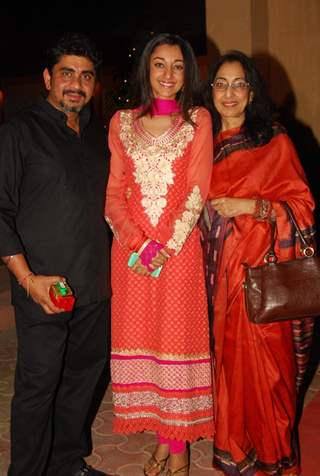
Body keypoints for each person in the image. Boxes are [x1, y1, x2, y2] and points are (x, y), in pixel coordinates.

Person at [0, 33, 112, 476]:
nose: (76, 84)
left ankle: (67, 461)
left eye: (86, 76)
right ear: (48, 77)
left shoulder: (99, 138)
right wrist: (27, 280)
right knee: (38, 385)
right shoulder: (18, 133)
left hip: (95, 285)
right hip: (43, 286)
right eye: (67, 73)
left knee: (82, 380)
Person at [200, 50, 315, 475]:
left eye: (238, 84)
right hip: (218, 285)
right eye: (221, 84)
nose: (229, 93)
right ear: (209, 90)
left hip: (262, 280)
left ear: (251, 92)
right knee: (228, 373)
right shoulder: (200, 145)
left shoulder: (274, 140)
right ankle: (238, 454)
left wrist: (253, 206)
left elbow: (302, 208)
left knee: (270, 376)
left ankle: (274, 459)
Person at [105, 33, 214, 476]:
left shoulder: (198, 121)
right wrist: (138, 243)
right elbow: (113, 193)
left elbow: (197, 189)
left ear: (187, 73)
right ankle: (163, 441)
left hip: (179, 252)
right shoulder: (120, 122)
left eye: (177, 66)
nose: (167, 75)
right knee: (144, 344)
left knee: (175, 343)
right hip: (131, 256)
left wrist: (164, 246)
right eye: (159, 65)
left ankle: (178, 446)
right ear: (146, 70)